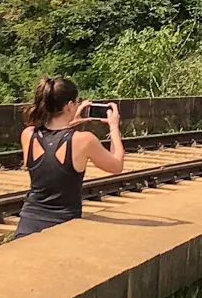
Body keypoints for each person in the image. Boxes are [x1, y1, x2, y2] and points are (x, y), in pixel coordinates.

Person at [15, 77, 126, 237]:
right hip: (62, 226)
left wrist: (71, 121)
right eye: (76, 102)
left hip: (27, 223)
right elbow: (117, 165)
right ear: (69, 106)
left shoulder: (28, 135)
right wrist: (114, 127)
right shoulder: (84, 140)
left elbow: (53, 135)